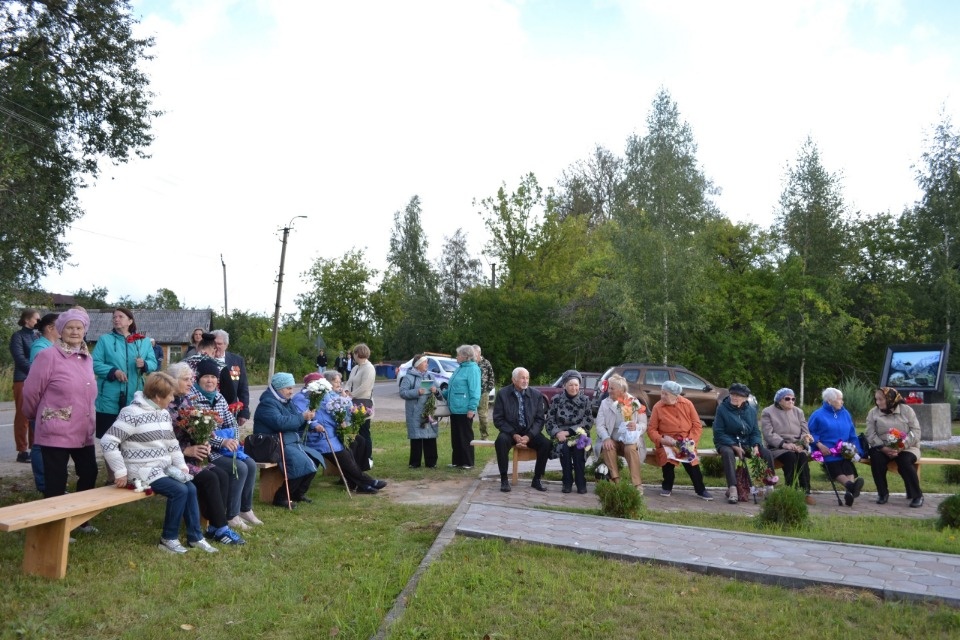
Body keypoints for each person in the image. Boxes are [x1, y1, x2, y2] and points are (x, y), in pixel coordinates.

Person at [101, 372, 218, 554]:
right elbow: (108, 441)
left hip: (161, 469)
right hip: (140, 471)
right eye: (170, 395)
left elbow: (172, 444)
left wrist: (182, 467)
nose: (172, 399)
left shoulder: (163, 414)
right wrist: (120, 471)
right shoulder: (131, 413)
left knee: (190, 487)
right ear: (157, 396)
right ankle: (168, 539)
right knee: (179, 491)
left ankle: (195, 537)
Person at [22, 309, 99, 533]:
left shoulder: (87, 357)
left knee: (89, 472)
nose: (75, 332)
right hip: (55, 429)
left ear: (85, 330)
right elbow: (31, 392)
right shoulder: (48, 356)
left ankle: (81, 520)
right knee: (56, 480)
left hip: (82, 429)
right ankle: (54, 528)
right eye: (69, 327)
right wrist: (35, 416)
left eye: (79, 328)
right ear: (60, 330)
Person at [166, 362, 245, 545]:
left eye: (191, 379)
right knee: (209, 478)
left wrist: (205, 442)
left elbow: (200, 428)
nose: (190, 383)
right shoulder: (165, 405)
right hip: (173, 460)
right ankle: (221, 528)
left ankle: (214, 527)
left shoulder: (186, 400)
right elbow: (161, 442)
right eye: (186, 379)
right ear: (173, 381)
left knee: (222, 475)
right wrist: (186, 450)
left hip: (191, 457)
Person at [185, 358, 261, 529]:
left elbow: (232, 423)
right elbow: (196, 433)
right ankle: (231, 514)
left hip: (223, 448)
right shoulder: (192, 399)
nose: (210, 380)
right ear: (198, 379)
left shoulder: (219, 398)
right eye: (206, 377)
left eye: (213, 377)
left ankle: (245, 509)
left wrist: (234, 439)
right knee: (239, 468)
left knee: (250, 464)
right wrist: (222, 441)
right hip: (205, 451)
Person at [293, 372, 387, 494]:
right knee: (346, 460)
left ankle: (362, 484)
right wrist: (314, 425)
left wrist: (341, 418)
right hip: (315, 438)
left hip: (330, 435)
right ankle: (367, 482)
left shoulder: (324, 394)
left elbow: (333, 409)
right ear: (309, 384)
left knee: (348, 457)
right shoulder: (300, 398)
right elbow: (302, 416)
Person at [253, 372, 318, 508]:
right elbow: (280, 423)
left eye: (292, 388)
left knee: (315, 458)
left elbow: (295, 422)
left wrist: (307, 419)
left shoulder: (286, 402)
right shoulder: (267, 403)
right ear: (279, 388)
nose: (291, 391)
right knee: (301, 463)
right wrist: (302, 417)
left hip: (288, 441)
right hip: (272, 444)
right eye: (288, 388)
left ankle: (297, 493)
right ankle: (281, 497)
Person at [92, 307, 158, 440]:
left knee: (133, 440)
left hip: (135, 397)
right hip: (109, 398)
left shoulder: (144, 341)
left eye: (120, 317)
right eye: (114, 317)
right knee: (108, 439)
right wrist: (113, 371)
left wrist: (144, 364)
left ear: (130, 321)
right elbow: (94, 363)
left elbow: (153, 364)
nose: (116, 319)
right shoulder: (105, 340)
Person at [648, 380, 714, 501]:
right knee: (667, 458)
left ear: (675, 396)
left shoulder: (687, 404)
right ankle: (667, 486)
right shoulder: (658, 407)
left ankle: (701, 489)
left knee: (691, 461)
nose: (662, 396)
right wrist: (662, 440)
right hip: (667, 441)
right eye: (662, 393)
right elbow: (651, 430)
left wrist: (690, 441)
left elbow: (697, 425)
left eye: (665, 394)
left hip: (686, 439)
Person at [713, 383, 776, 504]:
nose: (734, 397)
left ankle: (769, 486)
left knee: (766, 453)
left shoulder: (751, 410)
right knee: (728, 453)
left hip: (746, 442)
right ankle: (733, 488)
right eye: (732, 394)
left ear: (745, 398)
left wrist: (756, 446)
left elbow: (755, 432)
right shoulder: (722, 409)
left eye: (738, 395)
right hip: (726, 442)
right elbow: (718, 432)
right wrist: (734, 446)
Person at [492, 366, 549, 492]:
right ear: (514, 380)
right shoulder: (503, 394)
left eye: (527, 378)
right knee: (501, 441)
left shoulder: (536, 395)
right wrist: (513, 434)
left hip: (529, 432)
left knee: (545, 444)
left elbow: (540, 420)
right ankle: (504, 479)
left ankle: (537, 479)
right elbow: (498, 419)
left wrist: (529, 436)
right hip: (510, 431)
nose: (526, 381)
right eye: (522, 378)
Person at [866, 387, 924, 508]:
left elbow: (916, 432)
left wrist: (900, 447)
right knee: (876, 458)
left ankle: (917, 495)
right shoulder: (873, 413)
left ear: (890, 399)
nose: (878, 402)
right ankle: (882, 493)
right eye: (876, 399)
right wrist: (883, 448)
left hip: (907, 447)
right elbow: (870, 434)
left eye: (881, 399)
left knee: (904, 461)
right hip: (882, 447)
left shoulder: (907, 410)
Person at [808, 387, 864, 507]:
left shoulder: (845, 413)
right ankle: (851, 487)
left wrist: (856, 450)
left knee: (847, 464)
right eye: (839, 399)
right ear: (829, 401)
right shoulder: (817, 415)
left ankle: (850, 491)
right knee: (834, 464)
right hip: (827, 450)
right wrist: (819, 445)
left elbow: (852, 433)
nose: (842, 402)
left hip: (844, 449)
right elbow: (810, 433)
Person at [761, 388, 815, 505]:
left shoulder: (798, 412)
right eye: (787, 398)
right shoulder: (768, 412)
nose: (791, 401)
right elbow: (768, 434)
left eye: (793, 399)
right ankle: (790, 490)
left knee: (802, 457)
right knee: (790, 457)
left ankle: (806, 492)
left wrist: (803, 444)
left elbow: (805, 431)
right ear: (779, 400)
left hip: (797, 446)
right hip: (777, 447)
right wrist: (785, 444)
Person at [593, 374, 644, 493]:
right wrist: (606, 438)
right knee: (608, 446)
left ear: (621, 390)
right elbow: (600, 425)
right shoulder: (605, 403)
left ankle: (637, 484)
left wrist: (636, 426)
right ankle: (616, 481)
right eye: (609, 388)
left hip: (629, 439)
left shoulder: (634, 402)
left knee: (630, 449)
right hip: (612, 438)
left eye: (612, 388)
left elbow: (643, 423)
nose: (609, 391)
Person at [546, 370, 595, 494]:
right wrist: (557, 433)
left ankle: (580, 481)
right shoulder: (556, 400)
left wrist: (568, 432)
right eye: (571, 385)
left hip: (579, 434)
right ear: (564, 386)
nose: (574, 388)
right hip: (560, 436)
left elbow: (588, 421)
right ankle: (567, 481)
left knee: (579, 448)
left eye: (576, 385)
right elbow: (550, 421)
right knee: (564, 449)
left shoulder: (585, 400)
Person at [28, 312, 58, 491]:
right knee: (40, 444)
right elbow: (40, 378)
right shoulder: (40, 347)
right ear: (50, 328)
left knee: (52, 443)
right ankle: (43, 484)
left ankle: (52, 482)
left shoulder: (53, 346)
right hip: (42, 401)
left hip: (54, 402)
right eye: (60, 326)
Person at [398, 354, 439, 469]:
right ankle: (415, 463)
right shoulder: (408, 377)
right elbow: (403, 393)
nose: (427, 364)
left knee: (430, 435)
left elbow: (439, 391)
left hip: (429, 411)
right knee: (416, 436)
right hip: (414, 412)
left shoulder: (430, 376)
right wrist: (417, 392)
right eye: (425, 362)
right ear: (418, 364)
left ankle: (431, 463)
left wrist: (436, 390)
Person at [445, 345, 482, 471]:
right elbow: (453, 388)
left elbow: (475, 390)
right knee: (456, 436)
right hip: (455, 408)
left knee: (465, 436)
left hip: (465, 409)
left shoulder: (473, 369)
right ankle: (457, 461)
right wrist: (441, 393)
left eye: (459, 354)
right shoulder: (459, 368)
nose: (457, 356)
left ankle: (468, 461)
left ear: (466, 356)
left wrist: (472, 408)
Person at [10, 307, 39, 462]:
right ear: (27, 320)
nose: (38, 321)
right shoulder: (18, 336)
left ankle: (35, 448)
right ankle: (22, 451)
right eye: (36, 318)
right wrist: (36, 371)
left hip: (36, 380)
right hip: (22, 379)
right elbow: (19, 358)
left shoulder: (37, 336)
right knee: (23, 416)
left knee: (36, 415)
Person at [344, 343, 376, 468]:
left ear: (358, 354)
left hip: (363, 403)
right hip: (353, 401)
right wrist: (346, 391)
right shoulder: (355, 368)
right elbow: (349, 381)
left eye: (354, 353)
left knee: (364, 430)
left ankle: (368, 458)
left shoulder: (369, 368)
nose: (353, 356)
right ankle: (357, 457)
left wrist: (351, 395)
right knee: (355, 431)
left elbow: (365, 387)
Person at [212, 329, 251, 425]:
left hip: (230, 409)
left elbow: (243, 387)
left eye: (219, 344)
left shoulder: (237, 360)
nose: (216, 346)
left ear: (226, 345)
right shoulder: (204, 359)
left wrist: (244, 411)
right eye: (214, 343)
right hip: (209, 409)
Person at [474, 344, 495, 440]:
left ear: (479, 353)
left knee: (483, 415)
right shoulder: (471, 363)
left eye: (474, 352)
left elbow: (491, 377)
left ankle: (484, 436)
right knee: (469, 414)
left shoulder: (486, 363)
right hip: (472, 392)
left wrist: (488, 390)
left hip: (483, 392)